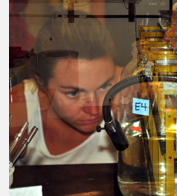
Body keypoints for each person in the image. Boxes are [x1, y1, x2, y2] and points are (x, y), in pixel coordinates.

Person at [9, 13, 123, 165]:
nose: (94, 110)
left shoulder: (131, 88)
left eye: (104, 86)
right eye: (73, 93)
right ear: (41, 82)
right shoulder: (16, 110)